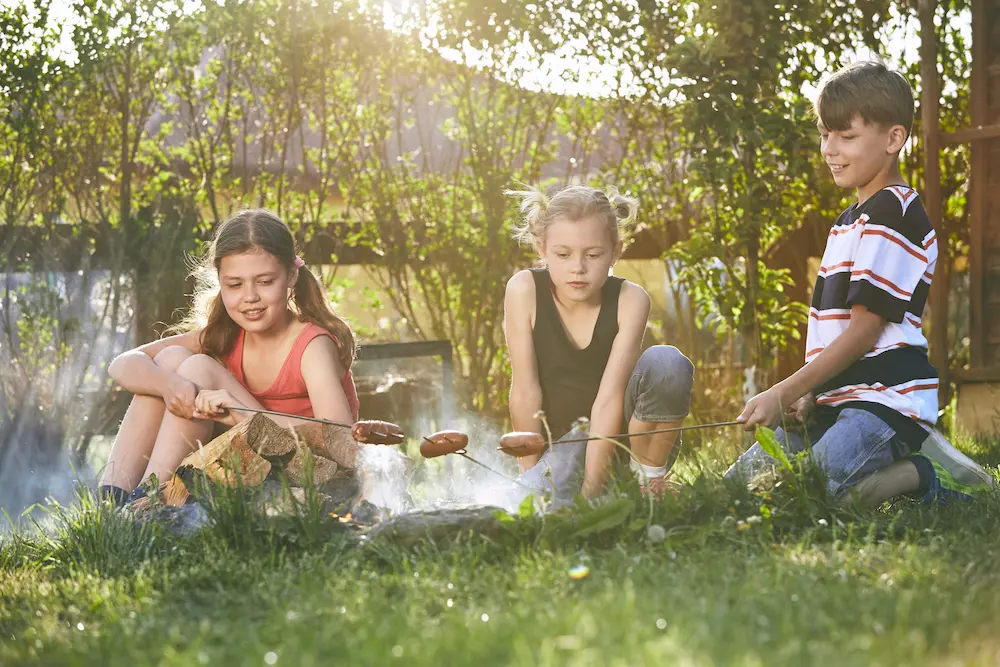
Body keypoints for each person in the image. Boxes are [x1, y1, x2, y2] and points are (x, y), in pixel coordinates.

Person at [727, 61, 994, 504]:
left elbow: (865, 331)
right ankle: (881, 480)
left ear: (894, 139)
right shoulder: (849, 222)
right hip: (836, 402)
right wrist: (812, 391)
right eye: (824, 133)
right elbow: (837, 332)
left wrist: (784, 390)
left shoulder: (894, 214)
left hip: (883, 405)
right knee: (739, 492)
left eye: (846, 136)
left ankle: (920, 478)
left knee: (803, 496)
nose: (829, 148)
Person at [100, 209, 360, 504]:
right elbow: (122, 365)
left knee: (198, 368)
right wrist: (168, 386)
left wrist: (237, 409)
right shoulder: (226, 335)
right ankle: (113, 500)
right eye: (235, 285)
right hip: (251, 461)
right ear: (221, 284)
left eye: (264, 282)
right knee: (170, 361)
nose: (250, 297)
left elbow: (339, 440)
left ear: (291, 275)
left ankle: (151, 500)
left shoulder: (311, 345)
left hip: (311, 471)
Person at [502, 184, 695, 505]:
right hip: (562, 447)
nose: (578, 267)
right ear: (541, 247)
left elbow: (609, 399)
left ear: (615, 251)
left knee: (667, 362)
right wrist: (530, 474)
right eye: (563, 255)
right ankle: (553, 487)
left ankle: (648, 484)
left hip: (625, 442)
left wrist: (592, 490)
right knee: (532, 504)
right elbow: (525, 390)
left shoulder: (631, 300)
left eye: (592, 255)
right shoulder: (524, 290)